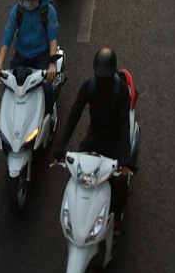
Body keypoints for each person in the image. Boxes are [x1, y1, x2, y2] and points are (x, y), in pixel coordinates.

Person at [53, 47, 133, 220]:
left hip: (115, 140)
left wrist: (125, 159)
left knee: (120, 185)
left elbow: (125, 124)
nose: (103, 80)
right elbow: (74, 115)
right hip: (95, 136)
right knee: (73, 176)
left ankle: (117, 220)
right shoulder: (88, 87)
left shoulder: (122, 91)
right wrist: (60, 147)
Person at [0, 0, 61, 112]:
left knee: (46, 89)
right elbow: (7, 37)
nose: (28, 3)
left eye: (31, 0)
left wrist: (52, 65)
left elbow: (53, 38)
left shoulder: (48, 11)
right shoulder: (17, 11)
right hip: (21, 57)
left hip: (41, 57)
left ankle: (50, 114)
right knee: (9, 89)